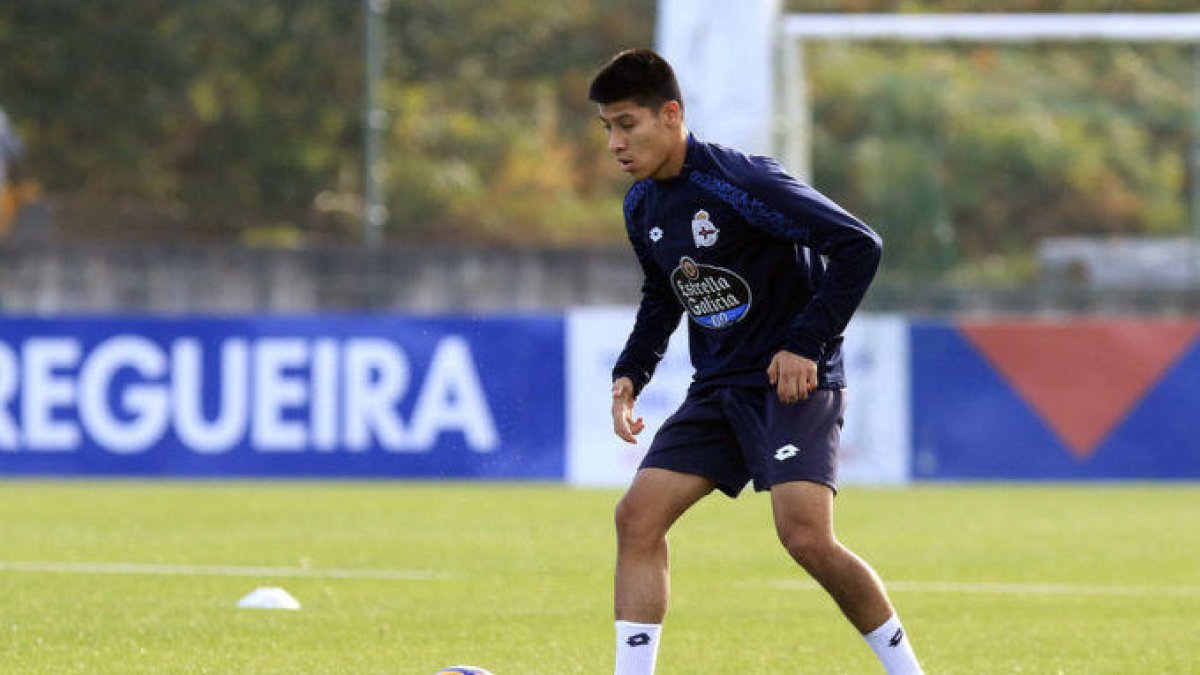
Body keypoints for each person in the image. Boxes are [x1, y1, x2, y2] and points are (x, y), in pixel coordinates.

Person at [588, 48, 923, 675]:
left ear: (670, 114)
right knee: (637, 518)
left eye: (627, 124)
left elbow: (858, 246)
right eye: (606, 127)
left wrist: (807, 343)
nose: (615, 143)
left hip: (790, 384)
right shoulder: (642, 206)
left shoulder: (743, 182)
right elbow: (663, 295)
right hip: (718, 389)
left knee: (804, 537)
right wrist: (631, 372)